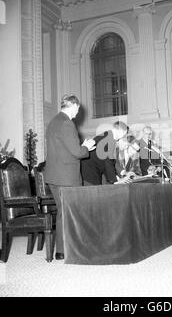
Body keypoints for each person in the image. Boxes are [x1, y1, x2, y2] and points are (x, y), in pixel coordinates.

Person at [44, 94, 96, 260]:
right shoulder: (67, 123)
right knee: (70, 212)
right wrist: (86, 147)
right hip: (66, 177)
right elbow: (76, 152)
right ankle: (68, 249)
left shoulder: (53, 122)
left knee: (63, 213)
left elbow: (62, 150)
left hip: (54, 175)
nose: (77, 112)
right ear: (73, 106)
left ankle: (62, 250)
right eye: (78, 109)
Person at [81, 121, 131, 185]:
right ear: (121, 131)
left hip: (89, 170)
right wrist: (115, 181)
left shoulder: (106, 135)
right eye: (125, 133)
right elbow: (108, 162)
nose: (124, 135)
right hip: (90, 172)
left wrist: (116, 178)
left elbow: (109, 161)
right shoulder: (110, 139)